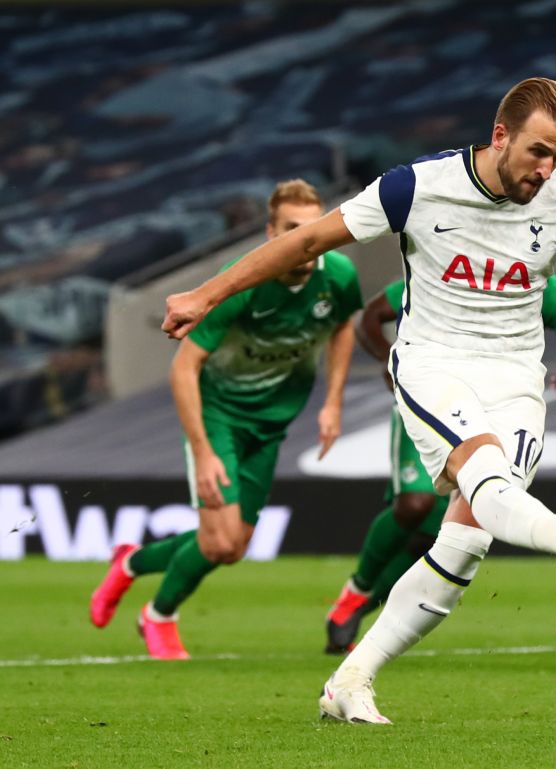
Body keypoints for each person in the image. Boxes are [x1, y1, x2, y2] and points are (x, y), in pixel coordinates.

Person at [160, 77, 556, 723]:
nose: (547, 169)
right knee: (482, 477)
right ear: (500, 135)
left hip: (515, 380)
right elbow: (308, 241)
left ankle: (350, 682)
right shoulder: (417, 187)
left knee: (467, 543)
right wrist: (207, 294)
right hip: (435, 365)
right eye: (539, 151)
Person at [90, 179, 363, 659]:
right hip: (220, 416)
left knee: (232, 547)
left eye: (312, 228)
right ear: (269, 232)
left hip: (272, 424)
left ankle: (131, 562)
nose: (303, 241)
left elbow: (343, 326)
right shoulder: (242, 284)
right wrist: (204, 450)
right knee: (218, 542)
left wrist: (333, 402)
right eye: (291, 230)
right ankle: (158, 617)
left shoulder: (337, 274)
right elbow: (184, 368)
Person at [324, 274, 556, 654]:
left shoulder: (547, 288)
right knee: (415, 503)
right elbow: (372, 316)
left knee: (436, 534)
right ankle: (356, 591)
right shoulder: (456, 269)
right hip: (435, 400)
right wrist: (389, 362)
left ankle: (364, 617)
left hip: (496, 413)